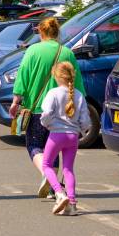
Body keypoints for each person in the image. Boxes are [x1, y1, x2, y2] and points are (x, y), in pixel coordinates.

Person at [10, 17, 84, 199]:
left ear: (41, 32)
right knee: (54, 148)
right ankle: (53, 187)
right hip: (62, 112)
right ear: (57, 32)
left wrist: (15, 101)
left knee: (34, 145)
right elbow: (78, 84)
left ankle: (47, 174)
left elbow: (22, 77)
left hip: (36, 108)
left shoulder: (32, 51)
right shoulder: (67, 53)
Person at [38, 61, 90, 216]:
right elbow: (86, 121)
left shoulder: (53, 93)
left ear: (57, 76)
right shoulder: (79, 95)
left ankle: (60, 194)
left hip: (56, 135)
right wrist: (81, 130)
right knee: (68, 169)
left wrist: (46, 124)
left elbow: (46, 113)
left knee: (47, 165)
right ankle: (72, 204)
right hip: (73, 136)